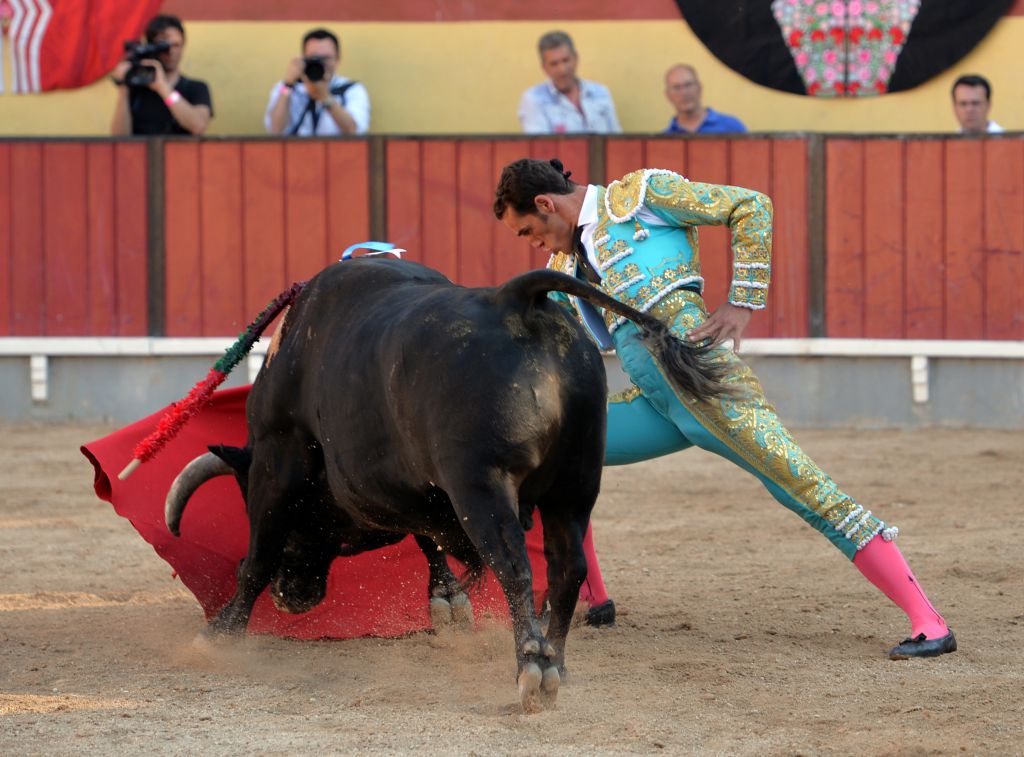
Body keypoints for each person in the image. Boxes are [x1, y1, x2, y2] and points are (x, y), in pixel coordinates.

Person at [493, 158, 957, 660]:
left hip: (707, 384)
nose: (532, 243)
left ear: (545, 205)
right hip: (655, 401)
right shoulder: (563, 268)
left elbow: (749, 205)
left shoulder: (641, 198)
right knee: (554, 453)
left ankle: (929, 622)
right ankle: (593, 597)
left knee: (808, 490)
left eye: (527, 231)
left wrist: (742, 301)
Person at [110, 15, 212, 136]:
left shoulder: (196, 88)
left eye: (176, 45)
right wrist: (124, 87)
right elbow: (119, 139)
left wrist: (163, 88)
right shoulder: (137, 91)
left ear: (183, 46)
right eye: (164, 46)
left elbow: (198, 126)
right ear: (152, 48)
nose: (171, 52)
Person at [265, 28, 370, 136]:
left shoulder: (352, 90)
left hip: (336, 151)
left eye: (326, 58)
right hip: (295, 151)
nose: (320, 63)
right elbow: (275, 130)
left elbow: (355, 132)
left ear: (337, 59)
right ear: (303, 58)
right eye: (314, 58)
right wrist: (288, 85)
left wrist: (325, 97)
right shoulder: (286, 88)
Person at [518, 31, 621, 135]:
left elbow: (617, 142)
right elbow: (540, 148)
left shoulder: (600, 93)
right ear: (544, 68)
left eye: (566, 60)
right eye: (554, 64)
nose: (562, 69)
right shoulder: (534, 99)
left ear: (575, 58)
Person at [663, 64, 746, 135]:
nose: (684, 93)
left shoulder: (731, 127)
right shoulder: (665, 140)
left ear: (699, 88)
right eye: (677, 87)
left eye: (688, 85)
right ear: (668, 95)